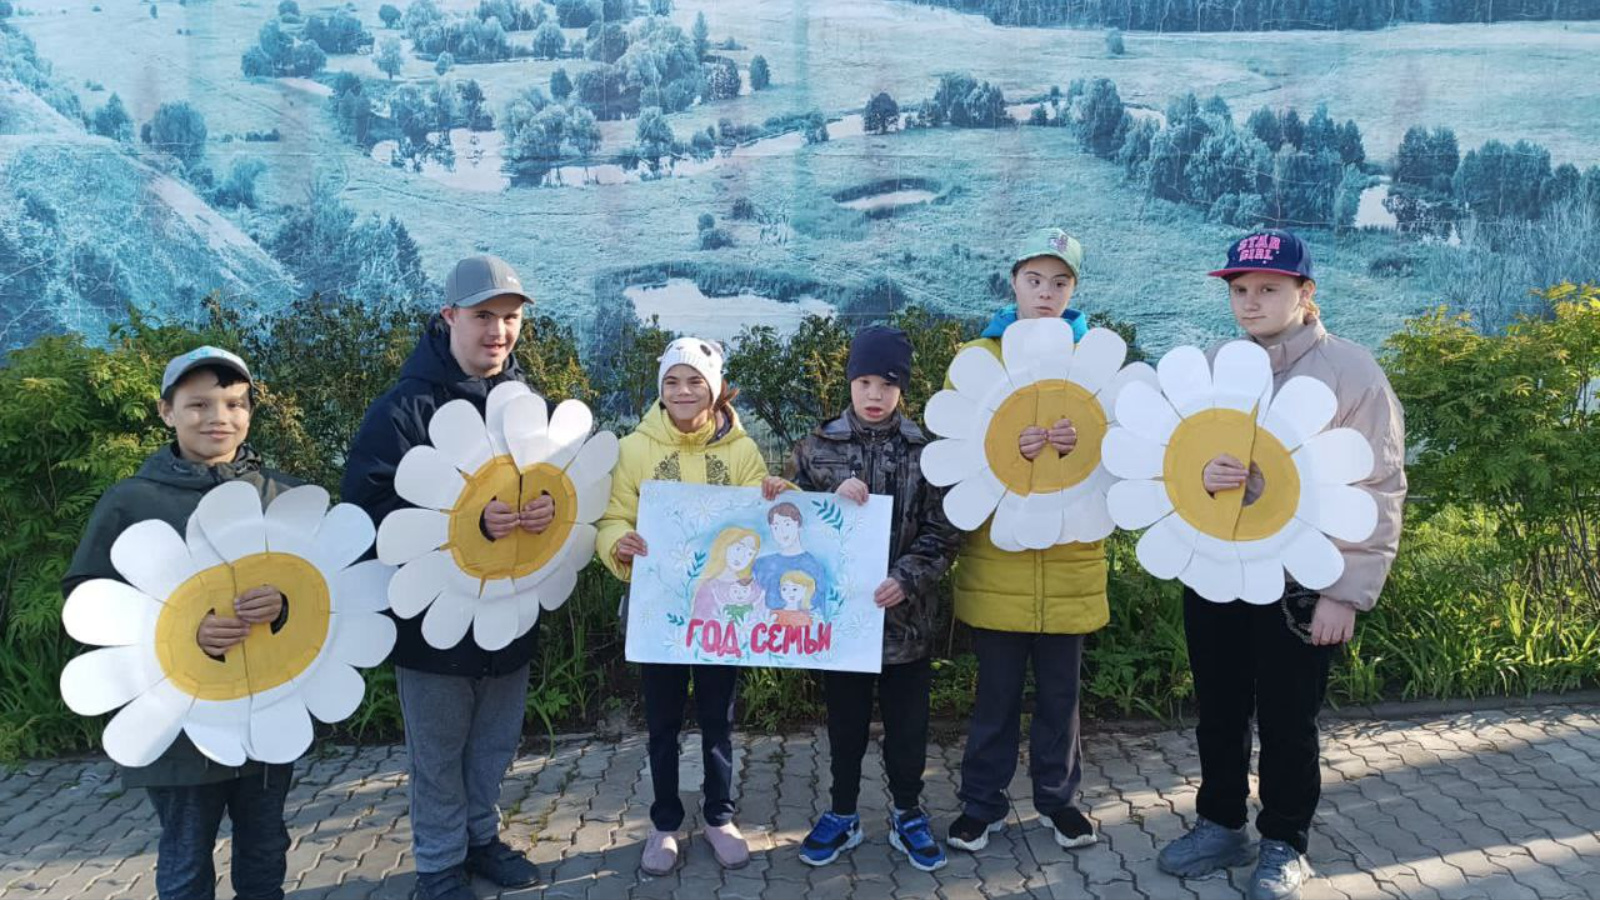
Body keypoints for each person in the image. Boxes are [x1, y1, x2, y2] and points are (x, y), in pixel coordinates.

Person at [1156, 230, 1406, 900]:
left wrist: (1346, 593)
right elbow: (1173, 460)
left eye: (1268, 289)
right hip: (1216, 569)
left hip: (1303, 583)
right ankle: (1221, 823)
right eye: (1239, 290)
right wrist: (1200, 475)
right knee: (1219, 707)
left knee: (1289, 717)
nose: (1250, 302)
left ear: (1306, 294)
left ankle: (1285, 841)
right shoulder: (1216, 365)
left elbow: (1378, 486)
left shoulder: (1352, 374)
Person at [342, 255, 549, 900]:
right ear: (448, 317)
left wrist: (547, 510)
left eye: (510, 318)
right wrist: (466, 524)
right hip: (431, 625)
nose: (499, 331)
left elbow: (554, 485)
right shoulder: (401, 410)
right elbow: (364, 512)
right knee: (437, 755)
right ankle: (438, 866)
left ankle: (480, 840)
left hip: (509, 610)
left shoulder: (526, 403)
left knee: (492, 746)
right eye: (484, 316)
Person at [63, 347, 300, 900]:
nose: (218, 417)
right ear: (166, 412)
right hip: (179, 726)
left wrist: (284, 605)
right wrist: (185, 635)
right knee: (187, 858)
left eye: (234, 404)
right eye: (198, 405)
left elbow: (319, 593)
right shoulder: (132, 502)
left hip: (264, 713)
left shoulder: (281, 495)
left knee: (266, 849)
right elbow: (89, 601)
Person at [595, 337, 787, 875]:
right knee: (661, 724)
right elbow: (613, 517)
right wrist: (617, 544)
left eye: (695, 380)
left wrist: (777, 490)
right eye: (672, 381)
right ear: (660, 388)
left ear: (716, 388)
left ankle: (720, 817)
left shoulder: (742, 452)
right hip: (659, 614)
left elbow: (766, 518)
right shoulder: (634, 449)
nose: (683, 391)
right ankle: (664, 823)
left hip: (722, 614)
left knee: (718, 720)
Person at [780, 325, 962, 872]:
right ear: (850, 382)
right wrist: (826, 502)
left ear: (902, 386)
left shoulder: (927, 452)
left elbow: (946, 530)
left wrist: (906, 577)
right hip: (839, 627)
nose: (874, 394)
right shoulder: (817, 447)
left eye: (887, 383)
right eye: (864, 381)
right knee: (845, 724)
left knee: (909, 727)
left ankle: (908, 812)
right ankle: (842, 814)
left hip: (907, 622)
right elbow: (788, 521)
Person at [948, 228, 1107, 853]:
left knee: (1061, 699)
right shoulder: (981, 358)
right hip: (999, 565)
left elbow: (1125, 452)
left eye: (1060, 282)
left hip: (1070, 564)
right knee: (995, 697)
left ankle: (1059, 803)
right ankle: (980, 806)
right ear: (1013, 281)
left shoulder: (1094, 359)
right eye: (1035, 280)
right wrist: (1007, 452)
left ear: (1074, 289)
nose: (1046, 293)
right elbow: (959, 456)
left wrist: (1081, 446)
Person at [753, 502, 830, 617]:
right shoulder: (761, 565)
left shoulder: (814, 566)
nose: (781, 531)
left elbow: (822, 611)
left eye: (787, 524)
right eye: (776, 527)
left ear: (798, 525)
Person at [690, 527, 763, 622]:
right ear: (724, 546)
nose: (742, 557)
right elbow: (699, 624)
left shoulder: (752, 588)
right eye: (738, 549)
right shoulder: (709, 588)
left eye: (749, 554)